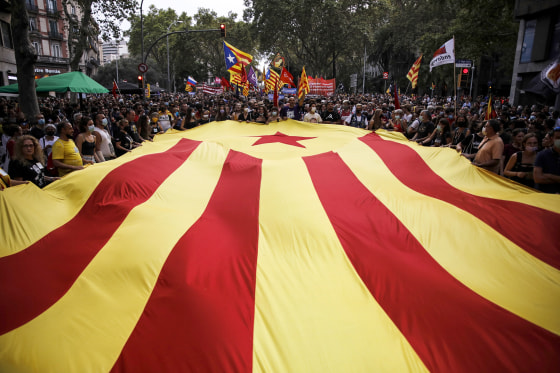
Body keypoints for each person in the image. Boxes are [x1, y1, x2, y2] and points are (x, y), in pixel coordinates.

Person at [533, 126, 560, 193]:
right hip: (545, 195)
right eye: (558, 138)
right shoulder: (542, 155)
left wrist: (549, 176)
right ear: (552, 139)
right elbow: (538, 178)